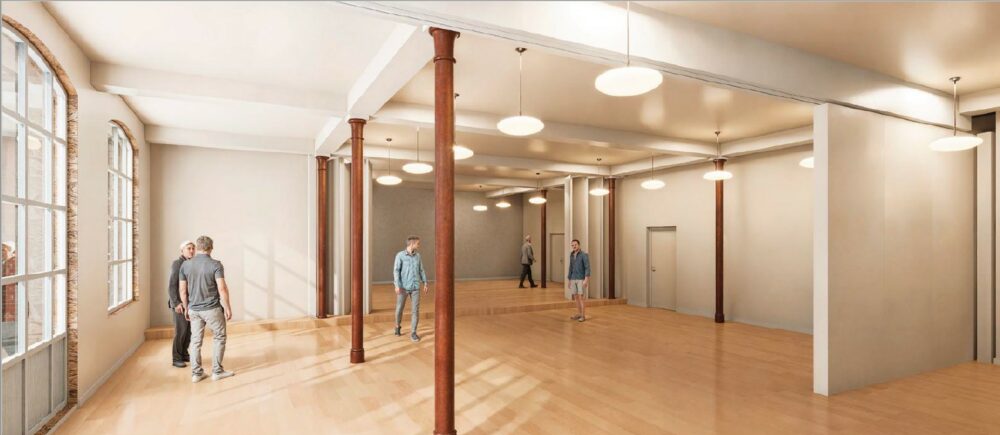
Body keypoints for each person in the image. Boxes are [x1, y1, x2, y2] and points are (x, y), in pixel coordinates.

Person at [179, 235, 234, 383]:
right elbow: (222, 288)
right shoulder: (216, 265)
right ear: (211, 248)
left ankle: (196, 374)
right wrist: (228, 307)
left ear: (197, 248)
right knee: (219, 337)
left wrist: (186, 308)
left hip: (193, 309)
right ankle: (217, 372)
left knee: (195, 341)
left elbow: (182, 290)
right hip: (212, 309)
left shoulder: (185, 265)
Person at [393, 235, 428, 342]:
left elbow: (421, 270)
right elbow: (396, 271)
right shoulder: (400, 256)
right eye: (418, 243)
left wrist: (425, 282)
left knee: (415, 311)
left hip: (415, 287)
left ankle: (413, 333)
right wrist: (397, 285)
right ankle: (397, 325)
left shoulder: (418, 256)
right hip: (403, 287)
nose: (419, 245)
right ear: (412, 244)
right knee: (399, 308)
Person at [167, 241, 195, 368]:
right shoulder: (177, 264)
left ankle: (184, 353)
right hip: (179, 304)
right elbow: (172, 285)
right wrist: (176, 303)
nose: (192, 250)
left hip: (189, 303)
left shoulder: (191, 263)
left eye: (193, 248)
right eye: (189, 248)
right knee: (181, 331)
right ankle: (176, 358)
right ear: (182, 251)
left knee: (188, 331)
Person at [567, 239, 590, 322]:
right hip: (573, 278)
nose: (574, 246)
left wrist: (586, 279)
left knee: (581, 297)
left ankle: (583, 316)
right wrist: (569, 280)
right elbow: (570, 268)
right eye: (572, 245)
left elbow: (587, 267)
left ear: (579, 245)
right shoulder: (571, 255)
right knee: (576, 297)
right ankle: (579, 314)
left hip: (581, 279)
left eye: (575, 245)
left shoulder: (584, 255)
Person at [2, 242, 16, 323]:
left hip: (9, 299)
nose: (2, 252)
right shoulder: (5, 262)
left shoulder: (11, 263)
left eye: (4, 250)